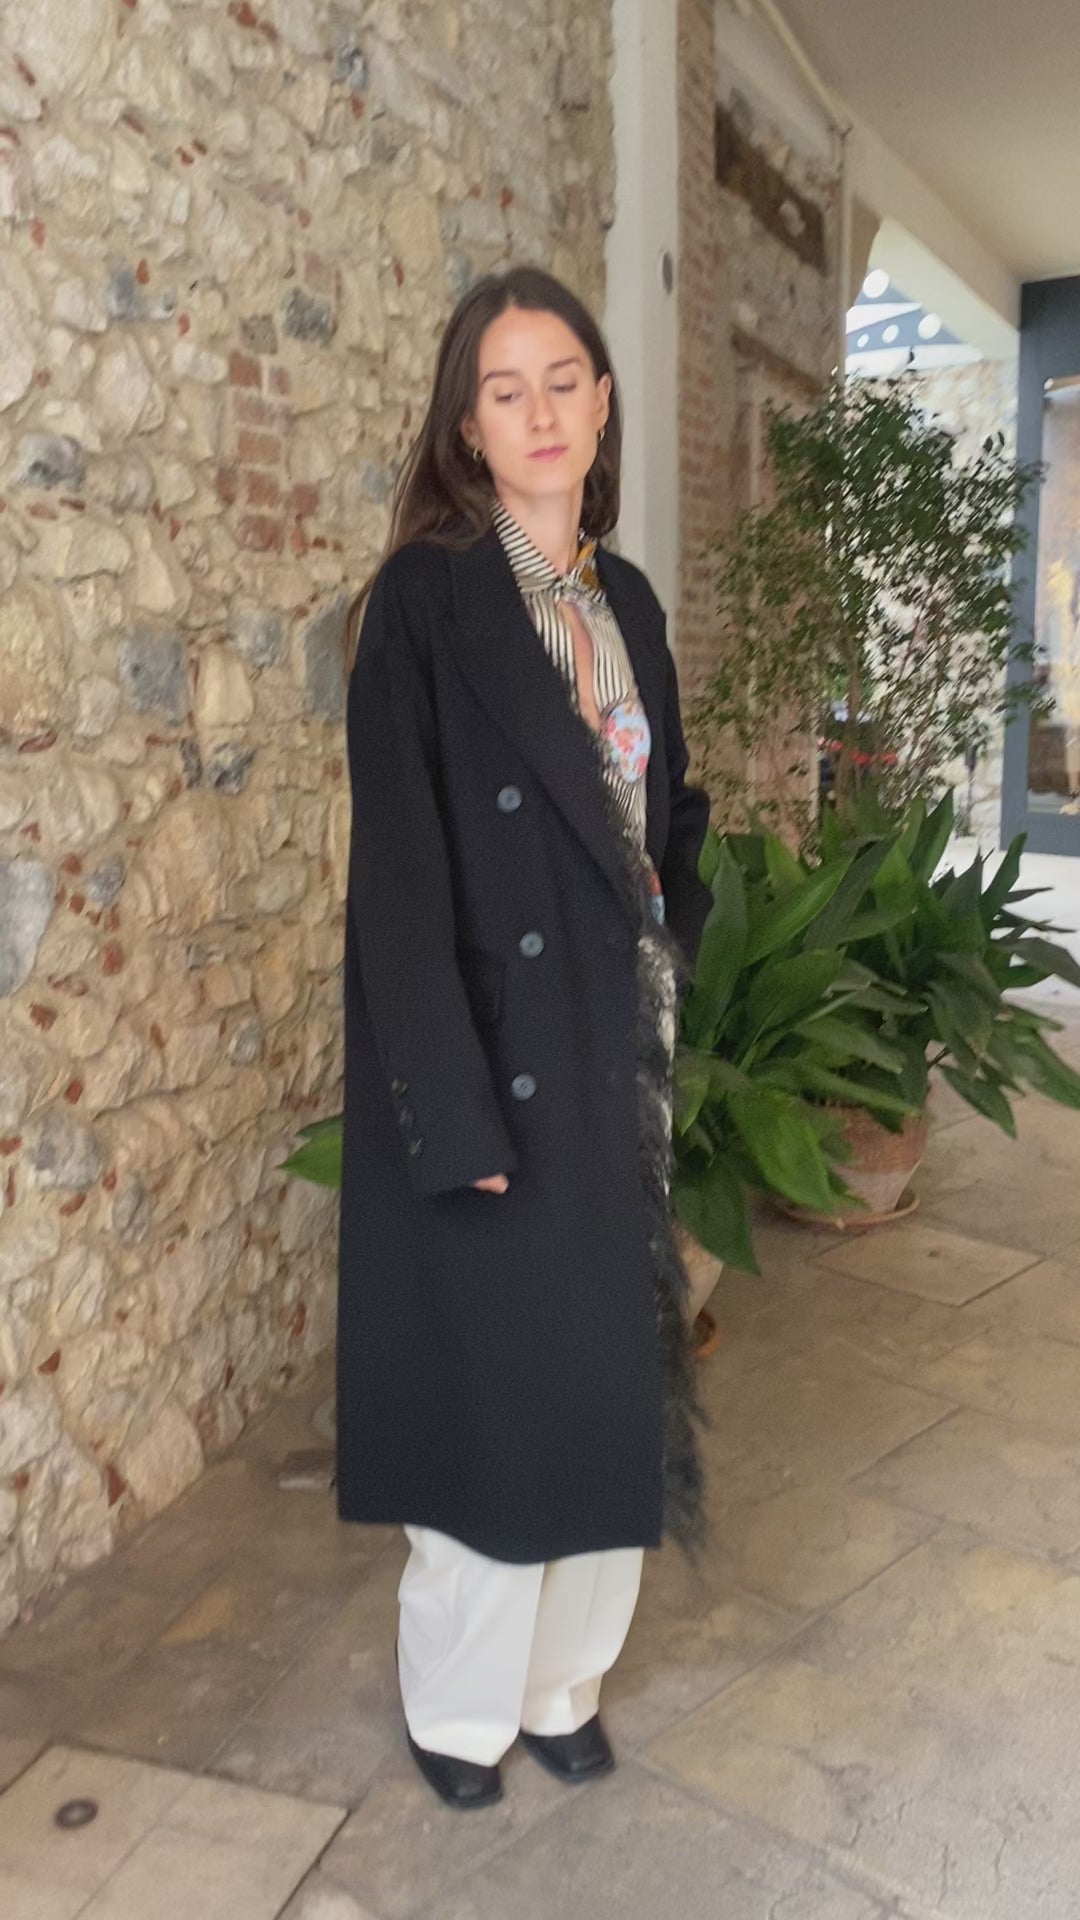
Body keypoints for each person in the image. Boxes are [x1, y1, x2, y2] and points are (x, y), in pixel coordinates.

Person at [338, 265, 712, 1811]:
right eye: (507, 390)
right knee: (495, 1410)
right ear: (468, 427)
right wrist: (453, 1110)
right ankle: (459, 1713)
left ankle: (565, 1685)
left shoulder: (632, 606)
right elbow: (399, 880)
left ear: (603, 403)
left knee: (607, 1392)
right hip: (499, 1059)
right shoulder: (423, 606)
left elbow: (672, 807)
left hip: (617, 1049)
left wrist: (673, 935)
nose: (541, 411)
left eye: (565, 380)